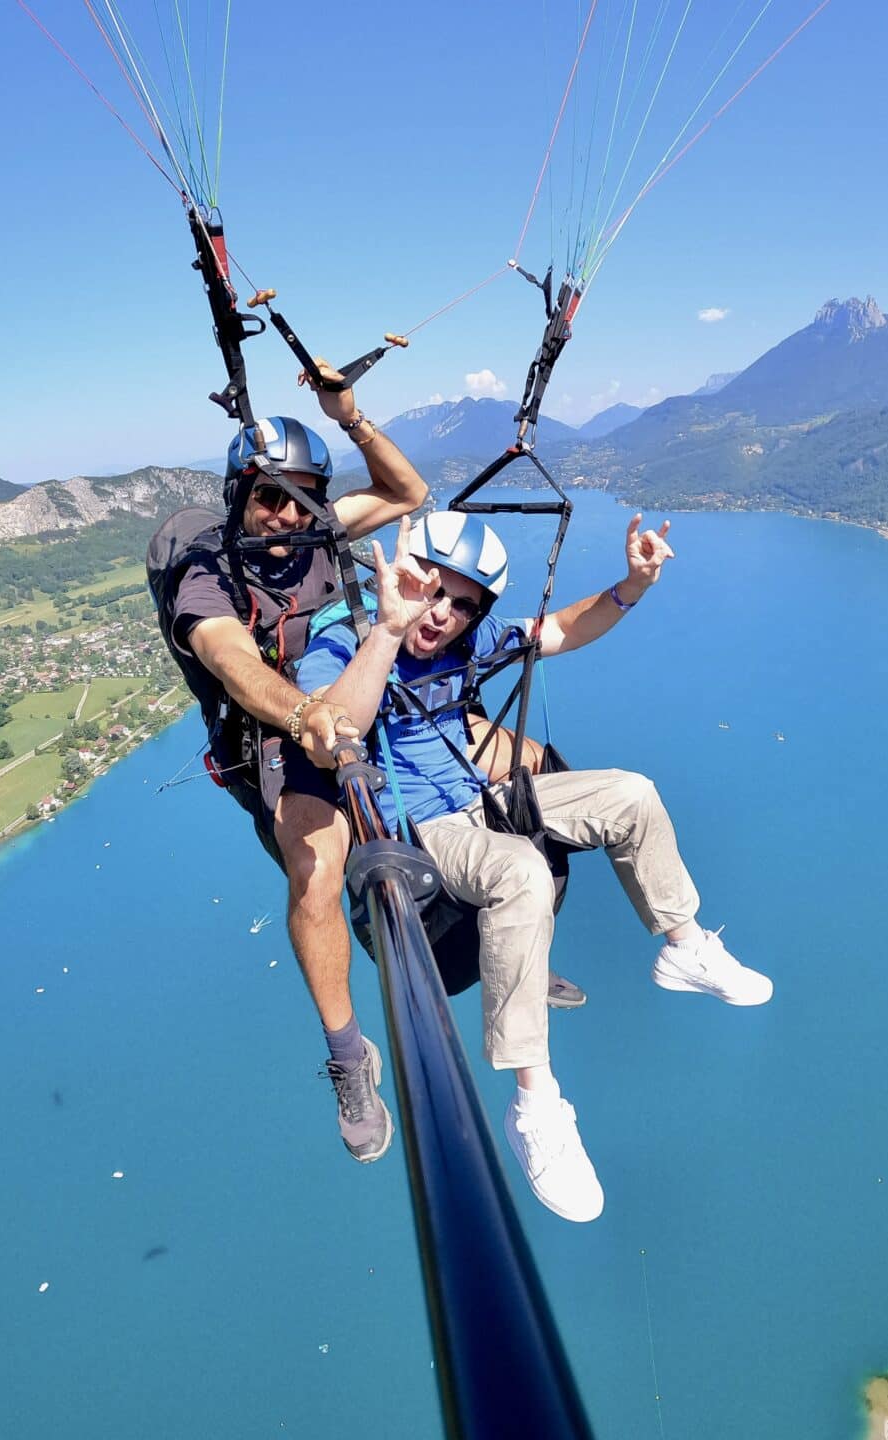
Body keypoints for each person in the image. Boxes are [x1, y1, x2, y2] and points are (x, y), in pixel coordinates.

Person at [293, 510, 773, 1221]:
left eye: (462, 604)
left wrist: (633, 585)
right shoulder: (346, 640)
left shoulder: (468, 639)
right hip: (423, 828)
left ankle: (685, 946)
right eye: (431, 592)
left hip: (478, 800)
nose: (444, 614)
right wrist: (389, 628)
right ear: (400, 580)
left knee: (630, 794)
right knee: (519, 870)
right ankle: (536, 1107)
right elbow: (332, 729)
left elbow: (563, 628)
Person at [164, 371, 423, 1165]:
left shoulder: (314, 533)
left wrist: (351, 418)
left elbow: (406, 491)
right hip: (275, 735)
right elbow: (229, 658)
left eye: (299, 497)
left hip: (348, 701)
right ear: (238, 496)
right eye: (267, 498)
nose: (282, 516)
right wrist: (307, 717)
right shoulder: (209, 568)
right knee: (314, 866)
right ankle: (350, 1056)